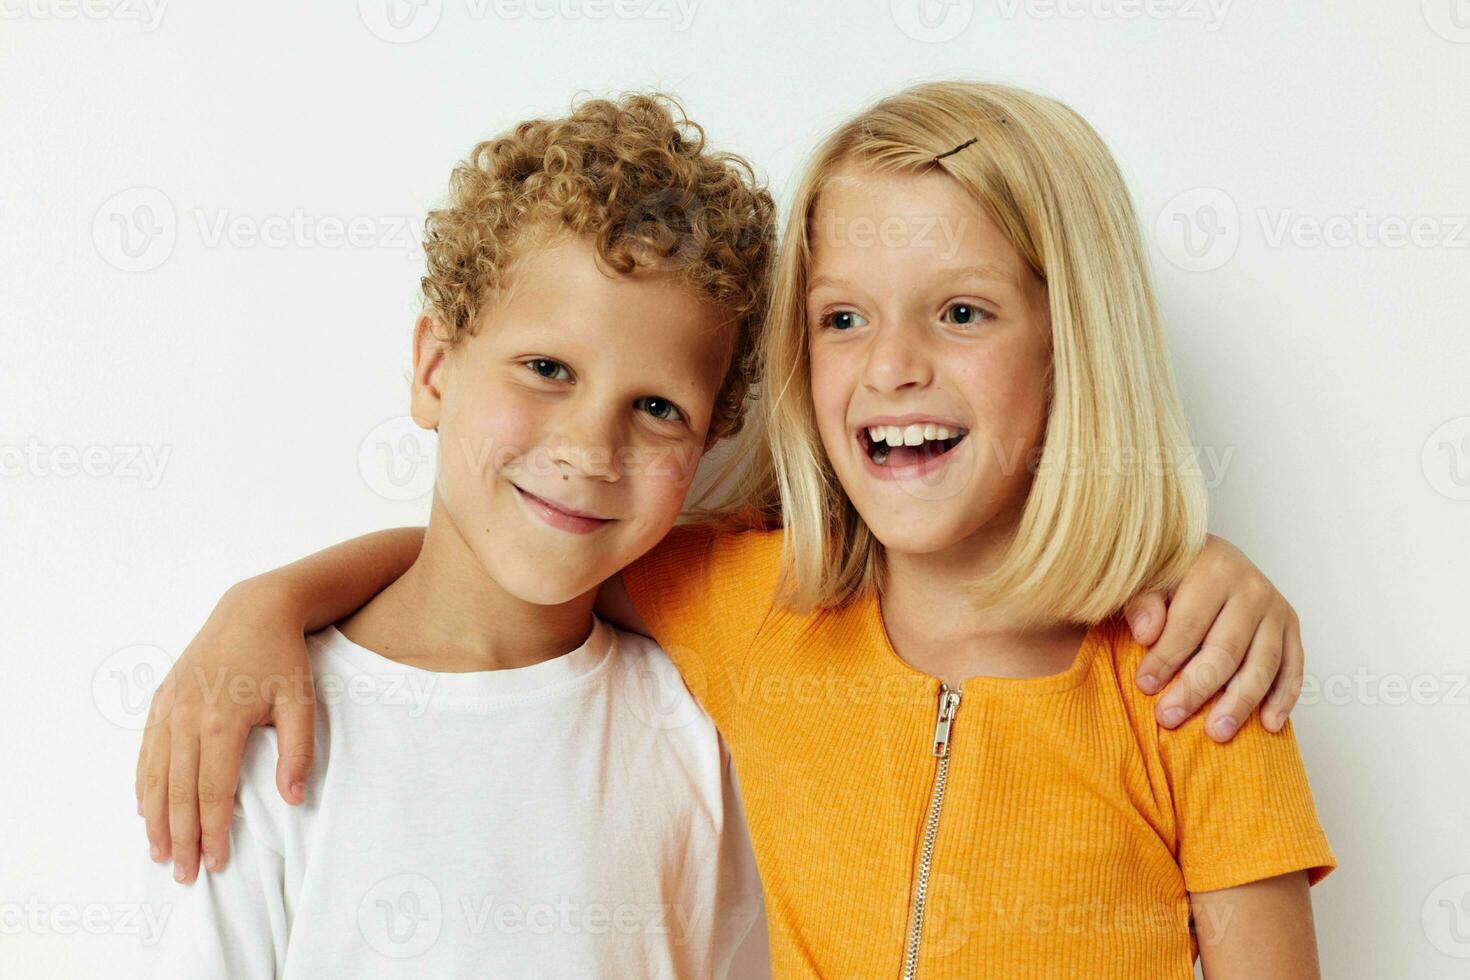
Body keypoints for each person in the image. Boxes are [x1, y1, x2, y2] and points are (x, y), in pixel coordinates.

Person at [139, 82, 1329, 977]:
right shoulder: (757, 612)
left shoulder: (1197, 684)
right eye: (845, 317)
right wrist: (268, 604)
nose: (897, 365)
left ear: (1079, 341)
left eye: (962, 311)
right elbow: (516, 564)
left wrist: (1178, 554)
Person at [140, 93, 775, 977]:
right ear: (435, 368)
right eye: (547, 368)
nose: (591, 450)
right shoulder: (262, 718)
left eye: (659, 407)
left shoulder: (702, 732)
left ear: (708, 442)